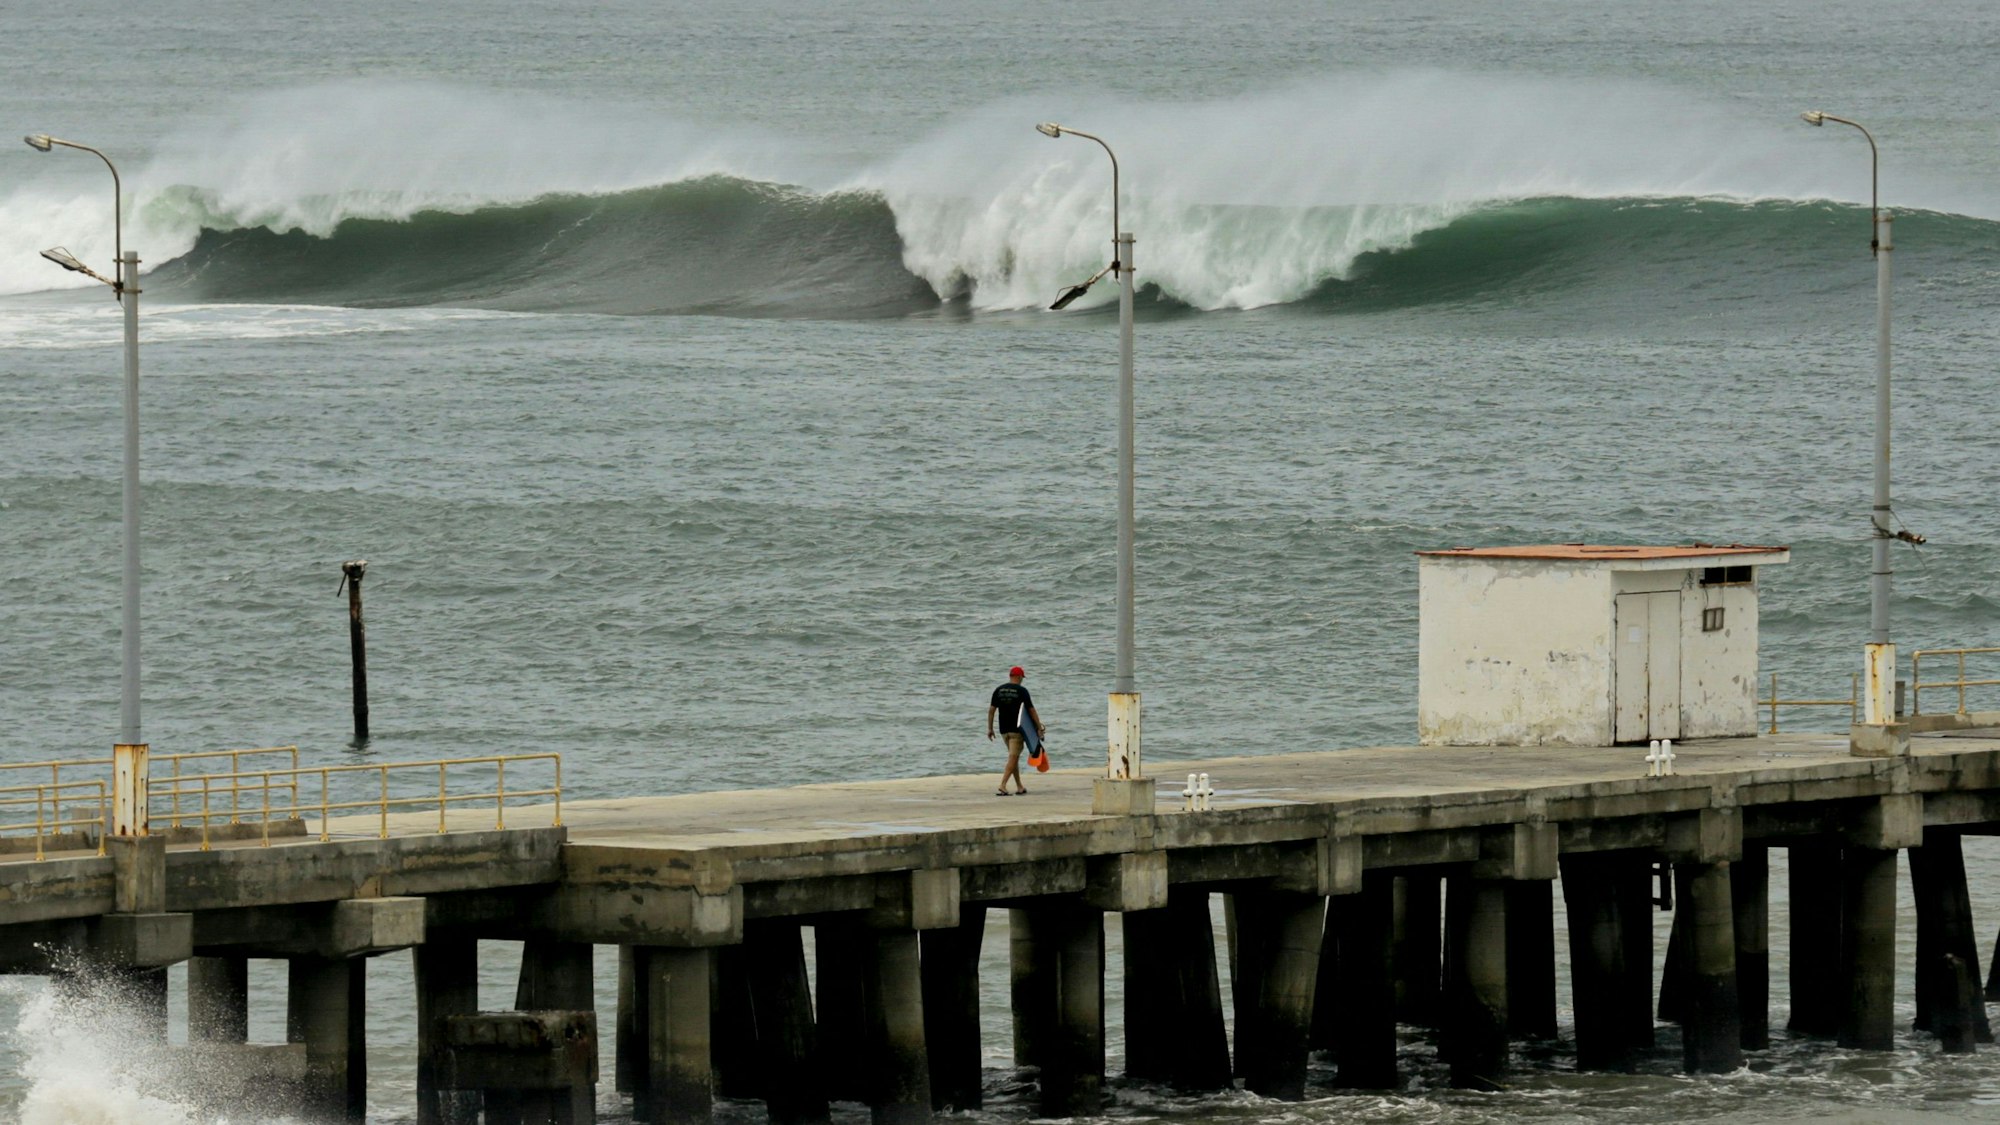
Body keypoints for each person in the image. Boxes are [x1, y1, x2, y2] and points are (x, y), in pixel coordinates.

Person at [987, 665, 1044, 795]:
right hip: (1017, 731)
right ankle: (1002, 785)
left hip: (1004, 730)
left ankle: (1019, 786)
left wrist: (990, 728)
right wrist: (1039, 727)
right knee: (1013, 758)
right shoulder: (1022, 691)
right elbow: (1031, 710)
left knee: (1014, 758)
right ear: (1019, 677)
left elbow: (991, 710)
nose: (1022, 680)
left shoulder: (998, 690)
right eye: (1022, 678)